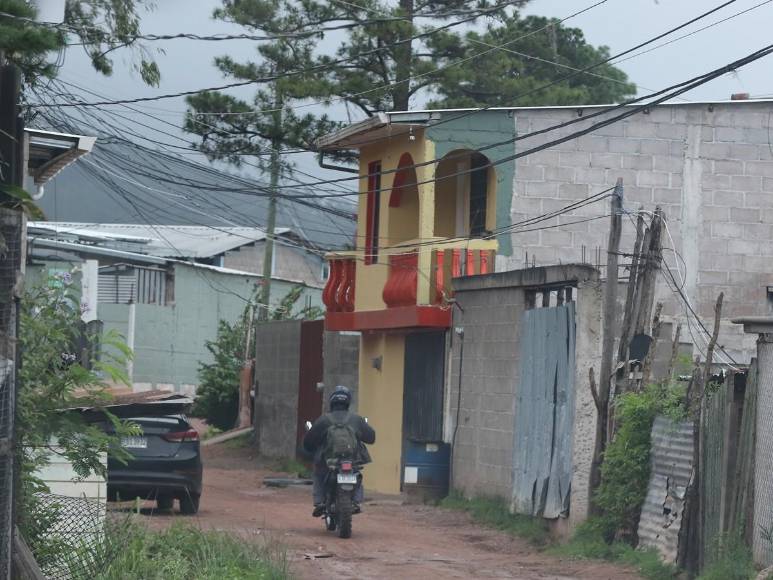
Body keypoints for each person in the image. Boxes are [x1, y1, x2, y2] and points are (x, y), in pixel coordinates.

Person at [303, 386, 375, 517]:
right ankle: (356, 501)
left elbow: (308, 441)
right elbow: (371, 438)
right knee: (357, 475)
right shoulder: (356, 419)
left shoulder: (324, 420)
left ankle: (319, 502)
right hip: (351, 460)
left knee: (319, 474)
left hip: (328, 462)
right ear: (348, 402)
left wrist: (310, 449)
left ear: (332, 402)